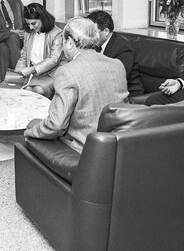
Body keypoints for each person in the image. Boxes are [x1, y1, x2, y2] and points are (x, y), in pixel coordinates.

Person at [24, 16, 128, 153]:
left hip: (84, 147)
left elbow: (56, 125)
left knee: (33, 125)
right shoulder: (117, 64)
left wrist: (30, 131)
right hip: (117, 142)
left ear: (70, 43)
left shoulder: (67, 71)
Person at [86, 10, 145, 97]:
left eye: (93, 33)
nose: (89, 36)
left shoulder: (123, 48)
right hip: (104, 88)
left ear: (106, 31)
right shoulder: (96, 43)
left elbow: (118, 78)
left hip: (129, 94)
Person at [14, 3, 64, 98]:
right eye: (28, 24)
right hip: (36, 73)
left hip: (53, 72)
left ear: (43, 19)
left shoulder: (57, 33)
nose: (31, 28)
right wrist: (17, 74)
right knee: (27, 90)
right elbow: (23, 56)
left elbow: (53, 59)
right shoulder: (29, 33)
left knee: (38, 90)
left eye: (33, 23)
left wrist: (32, 69)